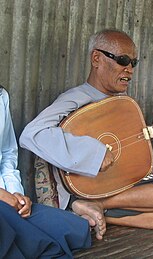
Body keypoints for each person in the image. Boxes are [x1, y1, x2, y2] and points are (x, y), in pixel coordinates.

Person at [19, 29, 153, 241]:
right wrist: (93, 152)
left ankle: (100, 210)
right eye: (123, 60)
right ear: (97, 58)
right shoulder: (76, 98)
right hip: (87, 187)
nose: (129, 70)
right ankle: (93, 204)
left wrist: (152, 135)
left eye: (133, 63)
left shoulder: (122, 104)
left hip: (116, 187)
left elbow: (124, 150)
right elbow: (31, 134)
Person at [0, 86, 91, 258]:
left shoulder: (1, 95)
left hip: (7, 201)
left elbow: (6, 154)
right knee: (34, 243)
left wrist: (16, 194)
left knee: (74, 229)